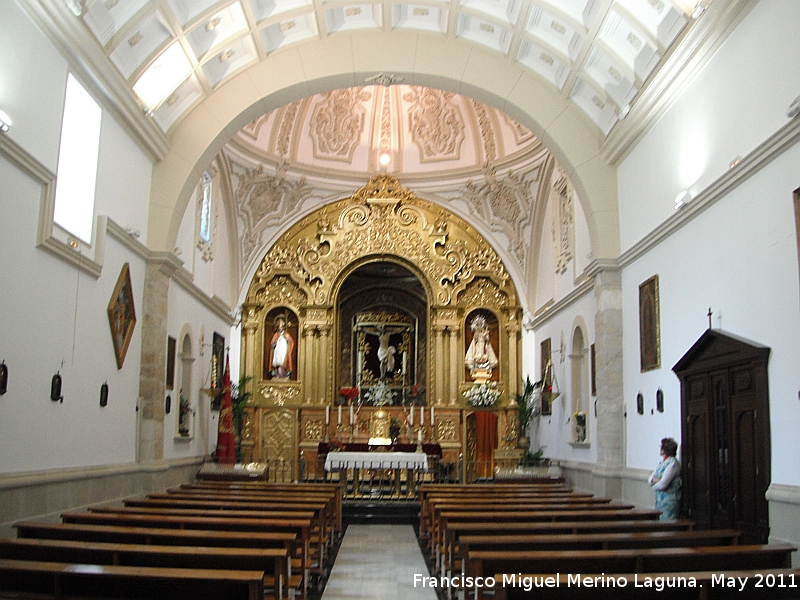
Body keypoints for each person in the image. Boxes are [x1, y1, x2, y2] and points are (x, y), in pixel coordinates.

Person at [648, 437, 682, 520]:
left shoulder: (673, 463)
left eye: (661, 447)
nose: (660, 449)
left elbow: (663, 484)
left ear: (665, 449)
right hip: (659, 500)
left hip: (669, 501)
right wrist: (654, 480)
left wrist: (655, 483)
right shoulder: (662, 462)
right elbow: (650, 479)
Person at [269, 314, 294, 379]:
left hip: (284, 352)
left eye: (281, 326)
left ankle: (283, 375)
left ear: (283, 327)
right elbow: (272, 344)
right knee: (277, 363)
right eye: (279, 327)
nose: (280, 328)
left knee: (282, 363)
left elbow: (291, 343)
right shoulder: (276, 335)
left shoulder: (286, 335)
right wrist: (274, 344)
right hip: (277, 352)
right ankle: (277, 374)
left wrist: (287, 341)